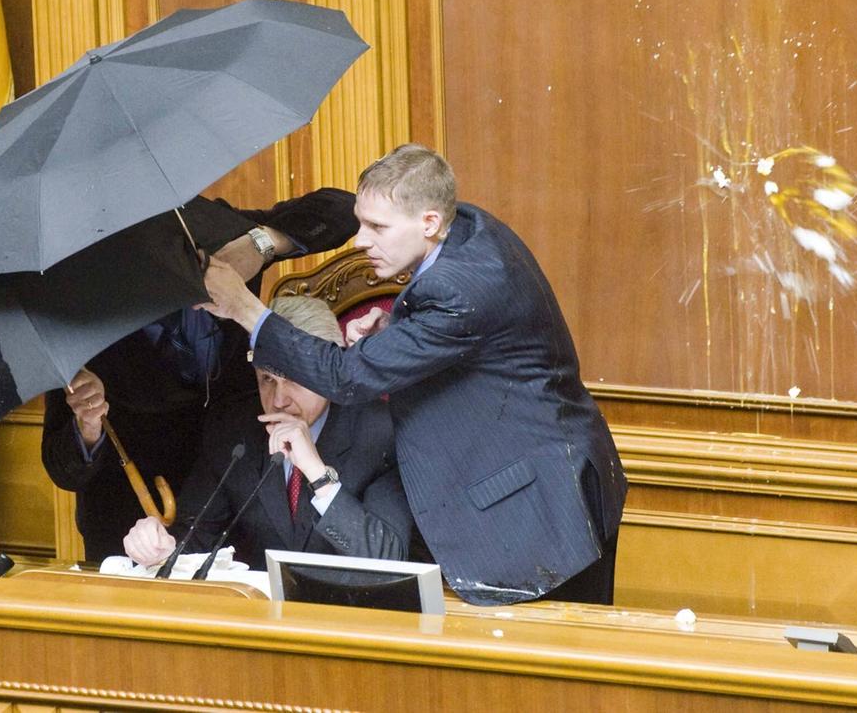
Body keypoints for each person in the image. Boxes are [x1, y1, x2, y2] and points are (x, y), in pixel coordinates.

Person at [200, 145, 628, 606]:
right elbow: (471, 337)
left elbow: (347, 377)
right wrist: (396, 330)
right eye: (361, 222)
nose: (359, 240)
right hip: (552, 471)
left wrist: (244, 309)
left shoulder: (460, 288)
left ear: (428, 222)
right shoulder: (466, 226)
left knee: (544, 665)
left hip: (535, 508)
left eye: (377, 227)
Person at [42, 189, 359, 563]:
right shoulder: (71, 305)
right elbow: (62, 469)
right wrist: (88, 426)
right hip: (130, 518)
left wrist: (259, 245)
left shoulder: (212, 234)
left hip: (238, 498)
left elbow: (342, 210)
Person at [123, 296, 411, 570]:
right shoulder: (235, 428)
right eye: (267, 379)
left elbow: (387, 556)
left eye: (296, 377)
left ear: (329, 367)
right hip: (262, 613)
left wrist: (316, 472)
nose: (278, 400)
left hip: (353, 613)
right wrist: (162, 547)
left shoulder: (382, 430)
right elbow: (196, 536)